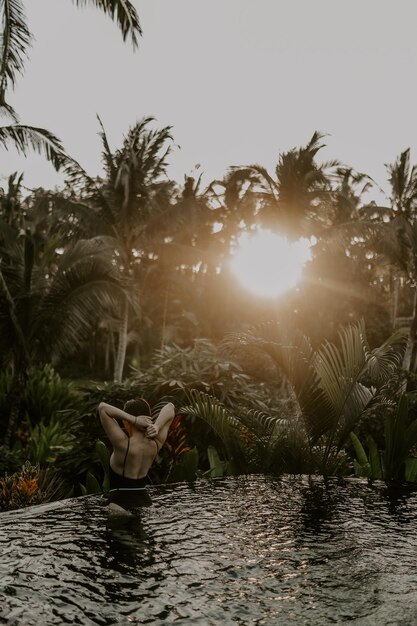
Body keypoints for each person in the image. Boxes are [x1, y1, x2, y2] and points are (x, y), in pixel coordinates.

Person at [98, 398, 175, 510]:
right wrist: (157, 426)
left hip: (120, 504)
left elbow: (102, 408)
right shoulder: (156, 443)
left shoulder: (123, 444)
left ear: (126, 421)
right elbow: (170, 406)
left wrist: (134, 420)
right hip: (145, 503)